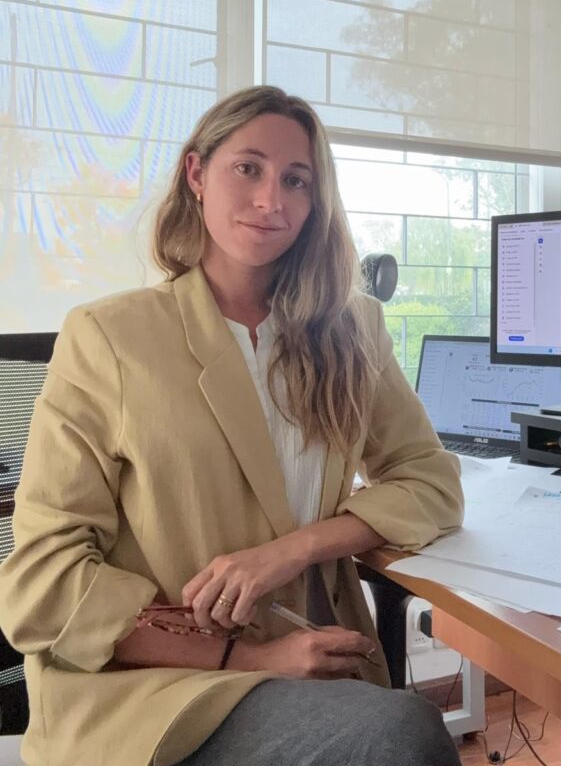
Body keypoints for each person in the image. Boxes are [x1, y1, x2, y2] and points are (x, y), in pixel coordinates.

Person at [0, 87, 464, 766]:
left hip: (313, 655)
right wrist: (252, 658)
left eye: (296, 180)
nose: (271, 200)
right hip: (155, 688)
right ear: (197, 174)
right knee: (403, 734)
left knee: (396, 731)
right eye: (248, 168)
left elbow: (432, 481)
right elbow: (43, 582)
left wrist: (294, 549)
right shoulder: (110, 336)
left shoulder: (352, 329)